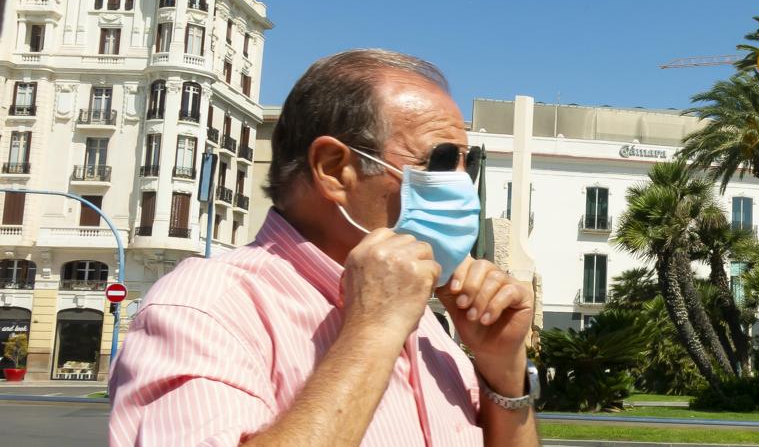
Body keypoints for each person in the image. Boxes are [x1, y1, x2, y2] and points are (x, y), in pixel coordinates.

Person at [109, 50, 539, 446]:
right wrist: (373, 331)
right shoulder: (205, 308)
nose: (461, 185)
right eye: (441, 161)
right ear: (335, 169)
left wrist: (503, 370)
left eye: (469, 162)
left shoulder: (427, 327)